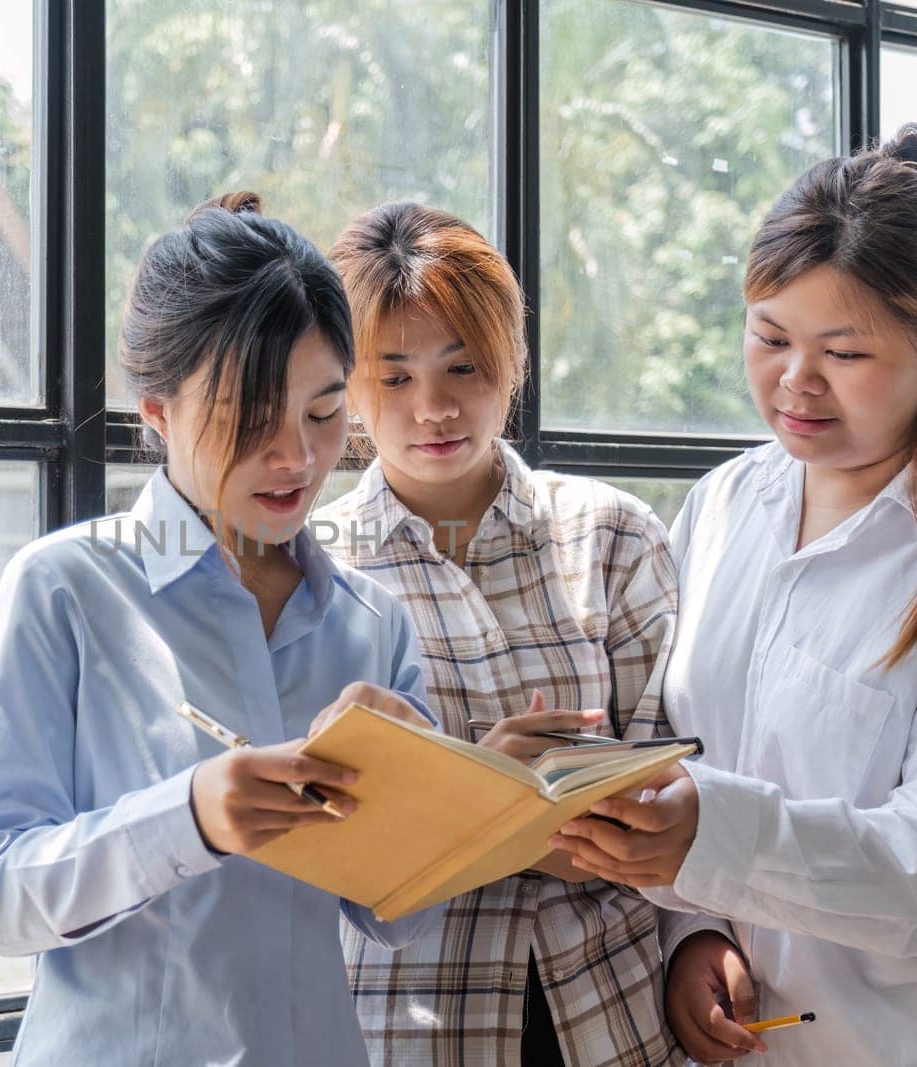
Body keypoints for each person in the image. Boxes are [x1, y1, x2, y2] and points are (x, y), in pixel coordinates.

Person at [549, 125, 917, 1066]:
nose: (795, 382)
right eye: (769, 337)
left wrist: (709, 840)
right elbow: (686, 747)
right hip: (765, 1038)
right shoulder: (726, 505)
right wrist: (694, 932)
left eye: (844, 354)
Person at [0, 192, 442, 1065]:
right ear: (157, 410)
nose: (296, 456)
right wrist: (190, 818)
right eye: (251, 419)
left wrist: (435, 789)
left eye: (324, 413)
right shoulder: (64, 590)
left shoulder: (373, 626)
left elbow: (401, 917)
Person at [315, 201, 680, 1064]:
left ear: (510, 362)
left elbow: (676, 776)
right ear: (346, 385)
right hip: (411, 1026)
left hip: (614, 1010)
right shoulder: (317, 574)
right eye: (394, 376)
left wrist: (494, 820)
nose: (433, 408)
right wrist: (497, 792)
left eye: (463, 366)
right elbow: (328, 843)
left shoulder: (612, 533)